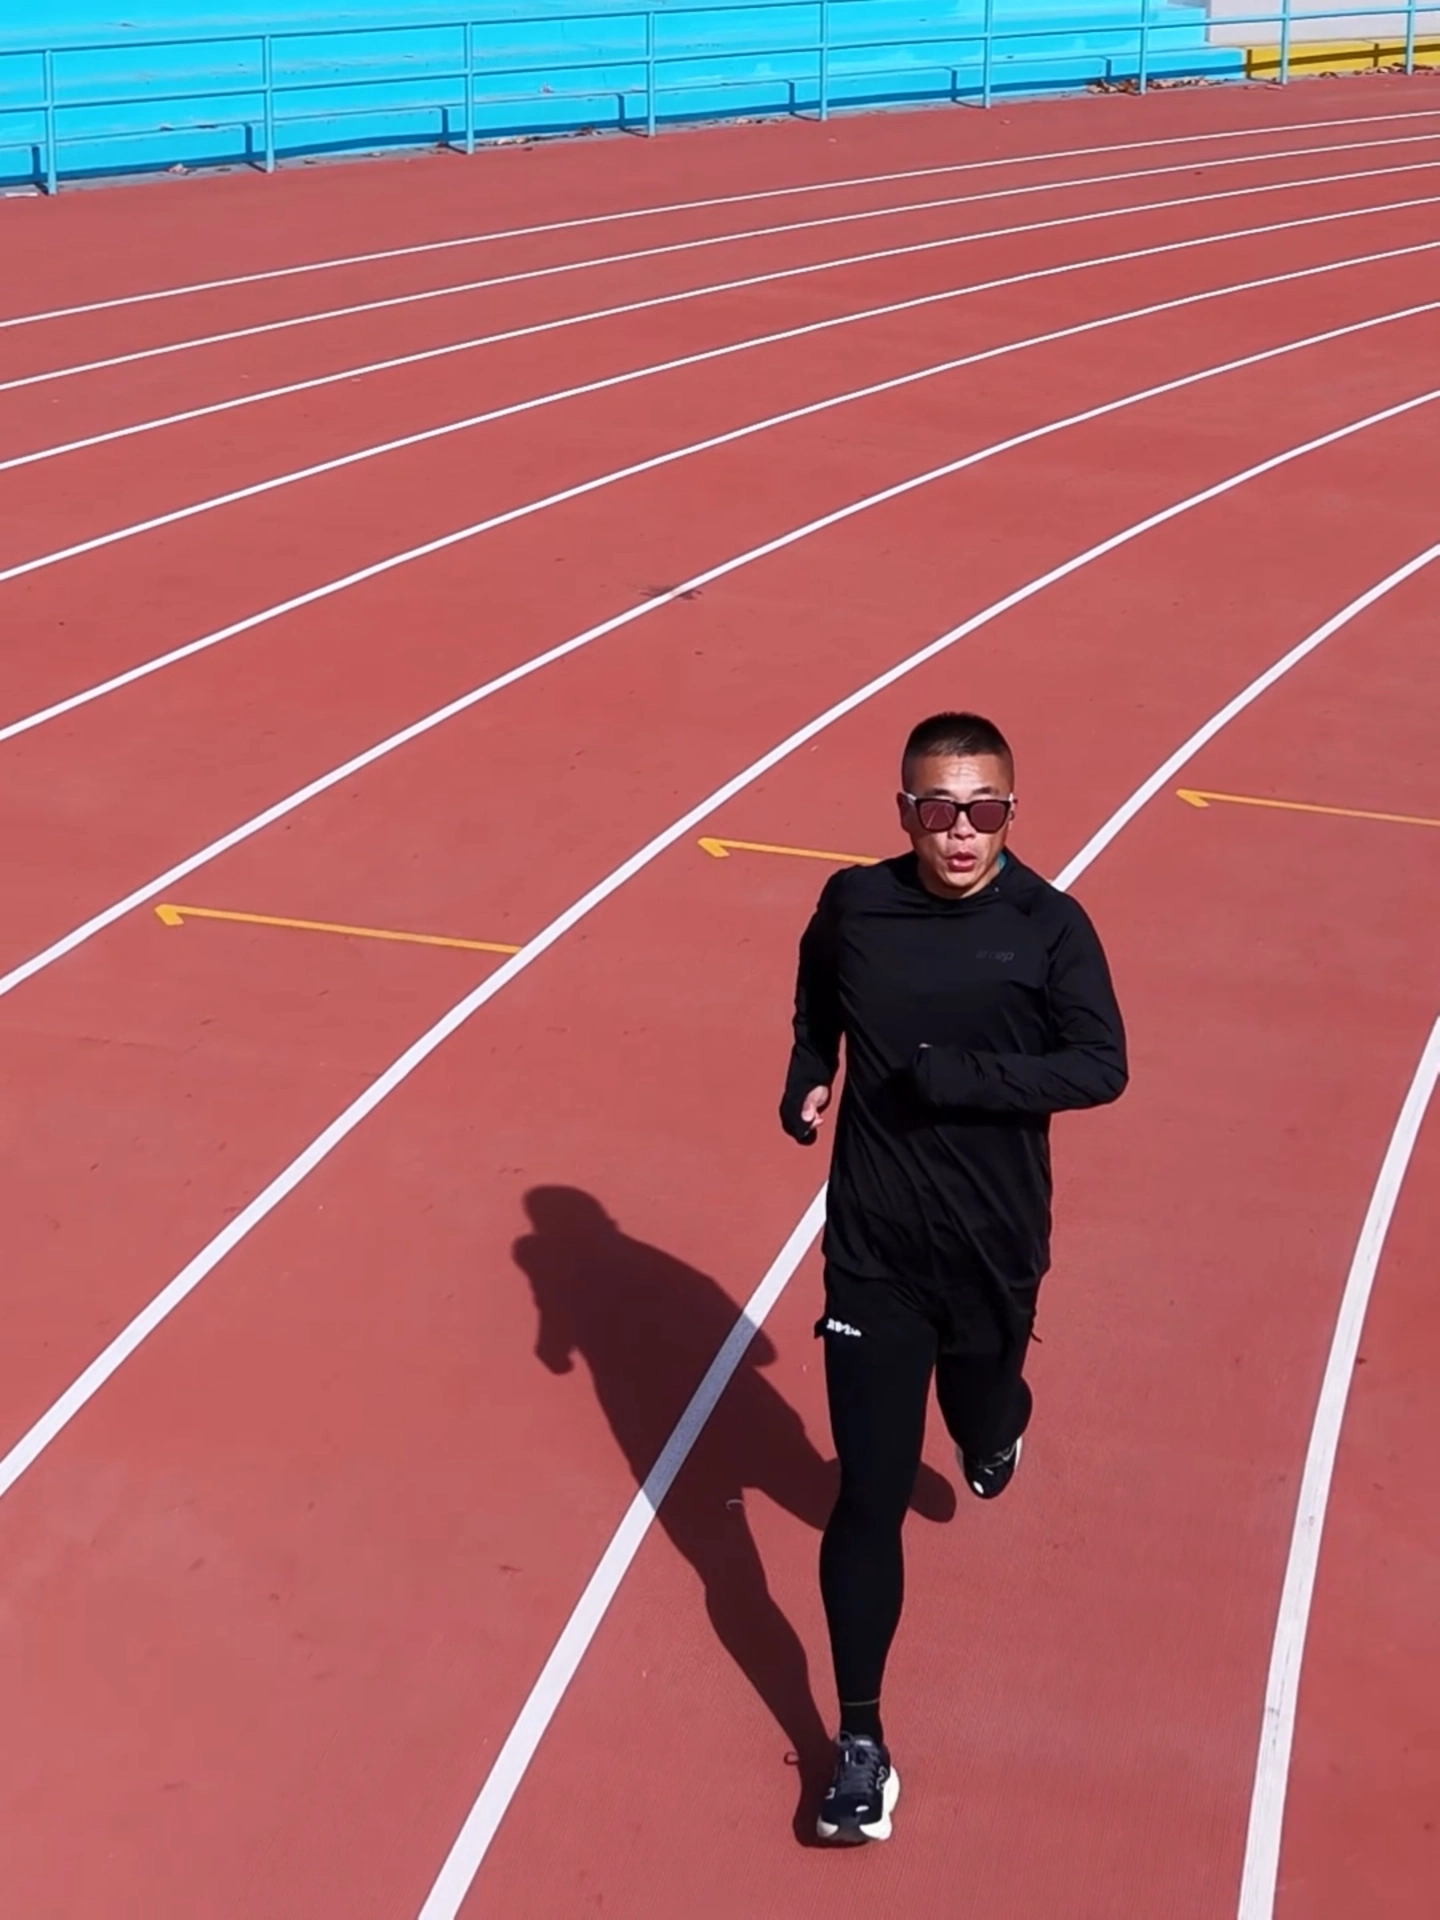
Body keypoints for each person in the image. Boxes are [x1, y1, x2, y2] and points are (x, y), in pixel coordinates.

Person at [779, 710, 1127, 1845]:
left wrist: (964, 1078)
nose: (961, 831)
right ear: (905, 813)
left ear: (1012, 813)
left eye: (984, 810)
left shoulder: (1049, 927)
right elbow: (818, 990)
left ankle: (997, 1423)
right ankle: (861, 1746)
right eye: (939, 809)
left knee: (980, 1413)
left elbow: (1102, 1065)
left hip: (994, 1251)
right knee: (868, 1494)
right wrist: (808, 1068)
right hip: (872, 1254)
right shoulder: (855, 904)